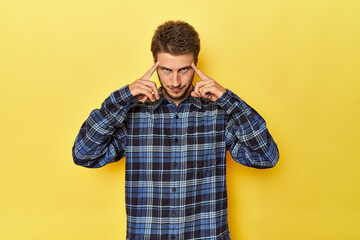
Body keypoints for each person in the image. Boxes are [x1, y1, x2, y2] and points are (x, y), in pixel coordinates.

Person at [72, 20, 279, 240]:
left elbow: (266, 157)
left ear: (196, 64)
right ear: (154, 64)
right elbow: (84, 155)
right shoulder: (132, 114)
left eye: (184, 70)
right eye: (166, 70)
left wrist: (229, 100)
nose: (175, 81)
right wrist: (123, 97)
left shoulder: (219, 114)